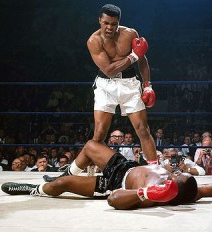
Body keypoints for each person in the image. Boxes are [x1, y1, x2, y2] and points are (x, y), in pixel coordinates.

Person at [43, 3, 157, 182]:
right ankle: (76, 175)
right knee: (100, 133)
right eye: (106, 23)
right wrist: (133, 56)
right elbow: (110, 69)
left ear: (119, 22)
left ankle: (155, 172)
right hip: (105, 85)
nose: (109, 27)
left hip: (130, 84)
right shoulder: (93, 41)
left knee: (143, 129)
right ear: (99, 21)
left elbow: (142, 60)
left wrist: (148, 84)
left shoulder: (130, 34)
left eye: (113, 24)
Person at [1, 140, 212, 210]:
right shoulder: (191, 187)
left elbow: (114, 199)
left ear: (173, 189)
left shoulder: (161, 195)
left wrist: (146, 192)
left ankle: (38, 189)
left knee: (62, 185)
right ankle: (65, 170)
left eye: (175, 176)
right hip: (124, 164)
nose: (174, 171)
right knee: (90, 146)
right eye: (177, 172)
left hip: (113, 182)